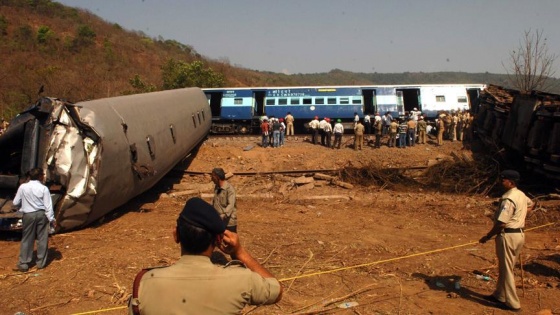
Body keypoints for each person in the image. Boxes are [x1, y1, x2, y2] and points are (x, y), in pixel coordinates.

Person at [128, 197, 282, 315]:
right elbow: (276, 290)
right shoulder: (242, 280)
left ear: (176, 235)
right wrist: (239, 252)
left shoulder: (143, 284)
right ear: (218, 240)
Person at [479, 170, 534, 312]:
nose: (501, 181)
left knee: (507, 270)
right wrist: (520, 217)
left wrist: (488, 236)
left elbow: (501, 223)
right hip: (519, 235)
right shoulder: (520, 194)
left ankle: (512, 303)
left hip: (508, 236)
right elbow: (531, 204)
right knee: (505, 267)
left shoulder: (508, 198)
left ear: (511, 182)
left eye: (504, 179)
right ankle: (499, 294)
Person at [13, 168, 56, 272]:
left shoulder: (23, 187)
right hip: (41, 215)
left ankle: (24, 263)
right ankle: (41, 263)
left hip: (28, 215)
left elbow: (15, 202)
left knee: (27, 238)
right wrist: (51, 219)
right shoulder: (44, 188)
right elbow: (48, 206)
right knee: (42, 238)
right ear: (40, 176)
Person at [211, 168, 237, 233]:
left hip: (228, 223)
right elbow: (215, 201)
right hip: (218, 222)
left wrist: (223, 215)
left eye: (212, 176)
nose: (211, 179)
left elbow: (231, 205)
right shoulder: (217, 187)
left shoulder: (229, 189)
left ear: (217, 177)